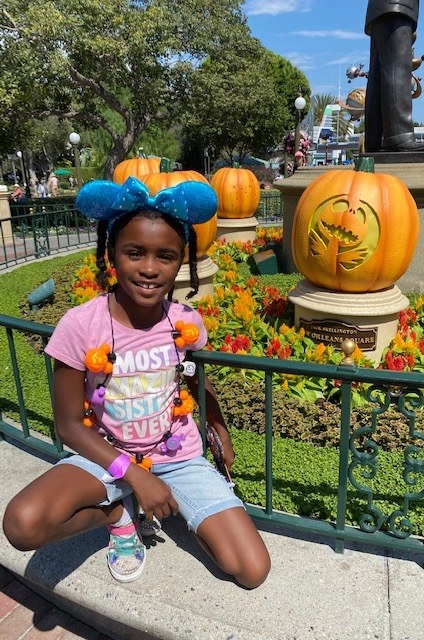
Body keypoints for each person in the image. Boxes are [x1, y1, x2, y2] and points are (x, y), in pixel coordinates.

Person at [3, 177, 271, 588]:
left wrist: (219, 428)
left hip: (177, 454)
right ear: (112, 253)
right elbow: (69, 424)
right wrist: (135, 476)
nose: (149, 268)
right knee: (23, 524)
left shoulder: (186, 322)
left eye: (165, 256)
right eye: (134, 253)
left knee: (251, 570)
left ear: (181, 260)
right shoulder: (81, 324)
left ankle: (176, 504)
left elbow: (199, 380)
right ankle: (117, 514)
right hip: (106, 454)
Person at [364, 0, 421, 152]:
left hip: (381, 8)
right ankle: (399, 135)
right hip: (397, 5)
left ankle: (374, 138)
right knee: (398, 68)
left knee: (378, 75)